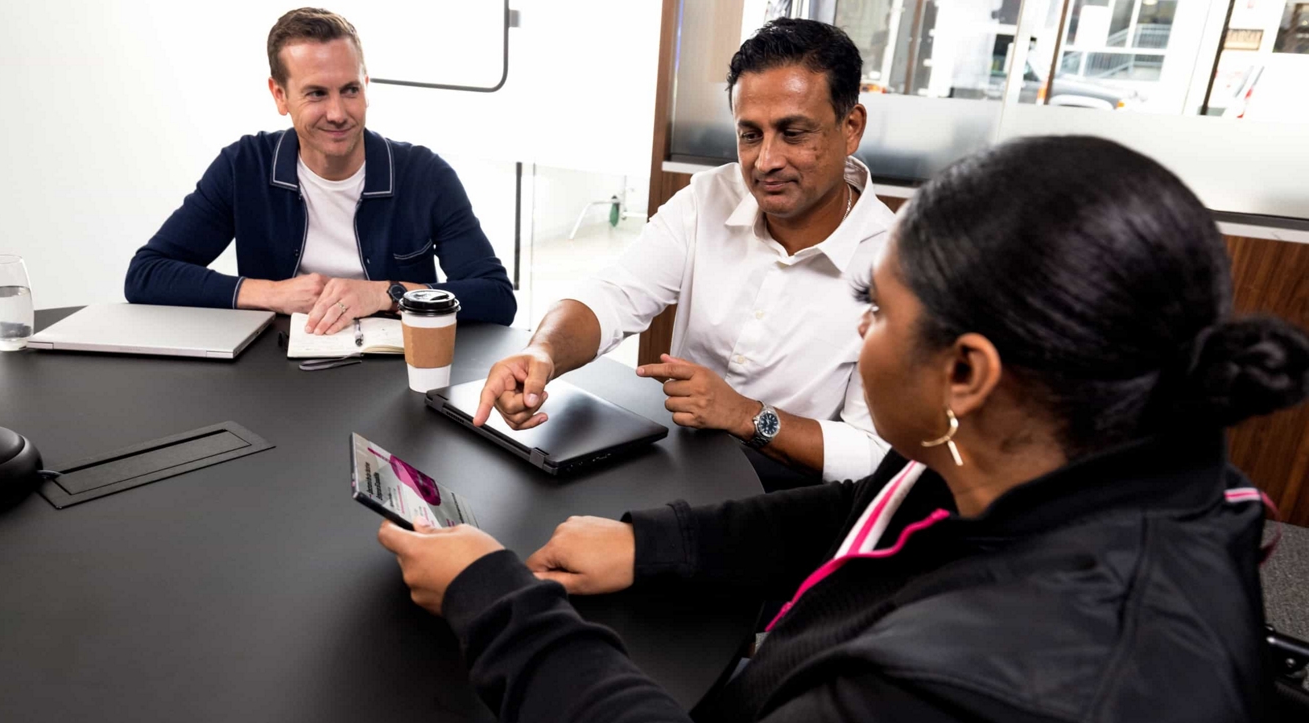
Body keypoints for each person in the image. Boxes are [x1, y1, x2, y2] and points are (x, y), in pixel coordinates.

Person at [377, 136, 1309, 722]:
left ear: (967, 372)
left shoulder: (983, 684)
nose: (860, 330)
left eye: (879, 311)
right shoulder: (1057, 450)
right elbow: (864, 512)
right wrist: (648, 544)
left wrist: (498, 603)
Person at [475, 19, 897, 489]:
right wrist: (543, 352)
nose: (765, 161)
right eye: (750, 134)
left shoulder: (899, 266)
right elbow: (614, 294)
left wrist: (744, 415)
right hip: (679, 467)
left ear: (852, 126)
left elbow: (875, 455)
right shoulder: (708, 197)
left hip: (791, 502)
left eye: (793, 133)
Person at [125, 8, 515, 333]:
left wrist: (386, 293)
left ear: (366, 85)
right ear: (280, 95)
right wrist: (271, 294)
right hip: (276, 376)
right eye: (316, 93)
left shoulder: (424, 174)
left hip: (398, 377)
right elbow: (147, 274)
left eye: (350, 90)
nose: (338, 113)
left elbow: (496, 297)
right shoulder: (243, 166)